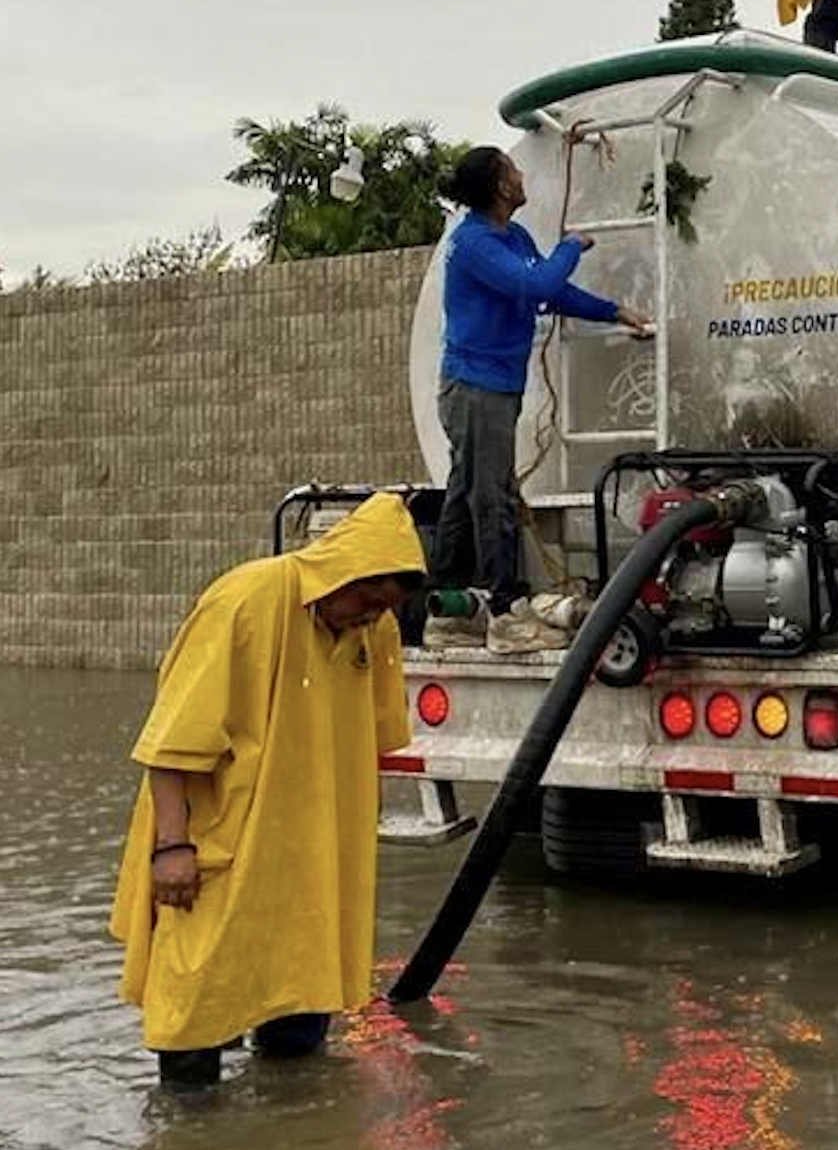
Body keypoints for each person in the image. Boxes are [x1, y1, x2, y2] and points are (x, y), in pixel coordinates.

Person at [109, 493, 427, 1090]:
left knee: (300, 999)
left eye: (387, 608)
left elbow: (374, 739)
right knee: (194, 1006)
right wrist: (171, 847)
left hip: (313, 851)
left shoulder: (373, 628)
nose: (372, 617)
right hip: (222, 839)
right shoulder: (245, 602)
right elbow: (171, 739)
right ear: (342, 572)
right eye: (368, 600)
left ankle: (294, 1119)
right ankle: (187, 1120)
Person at [428, 146, 651, 651]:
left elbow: (550, 293)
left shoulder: (513, 237)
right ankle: (507, 613)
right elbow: (539, 280)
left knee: (466, 493)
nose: (522, 174)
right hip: (475, 387)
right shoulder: (474, 243)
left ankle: (447, 612)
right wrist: (571, 247)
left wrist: (614, 311)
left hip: (496, 386)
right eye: (513, 170)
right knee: (494, 497)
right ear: (501, 187)